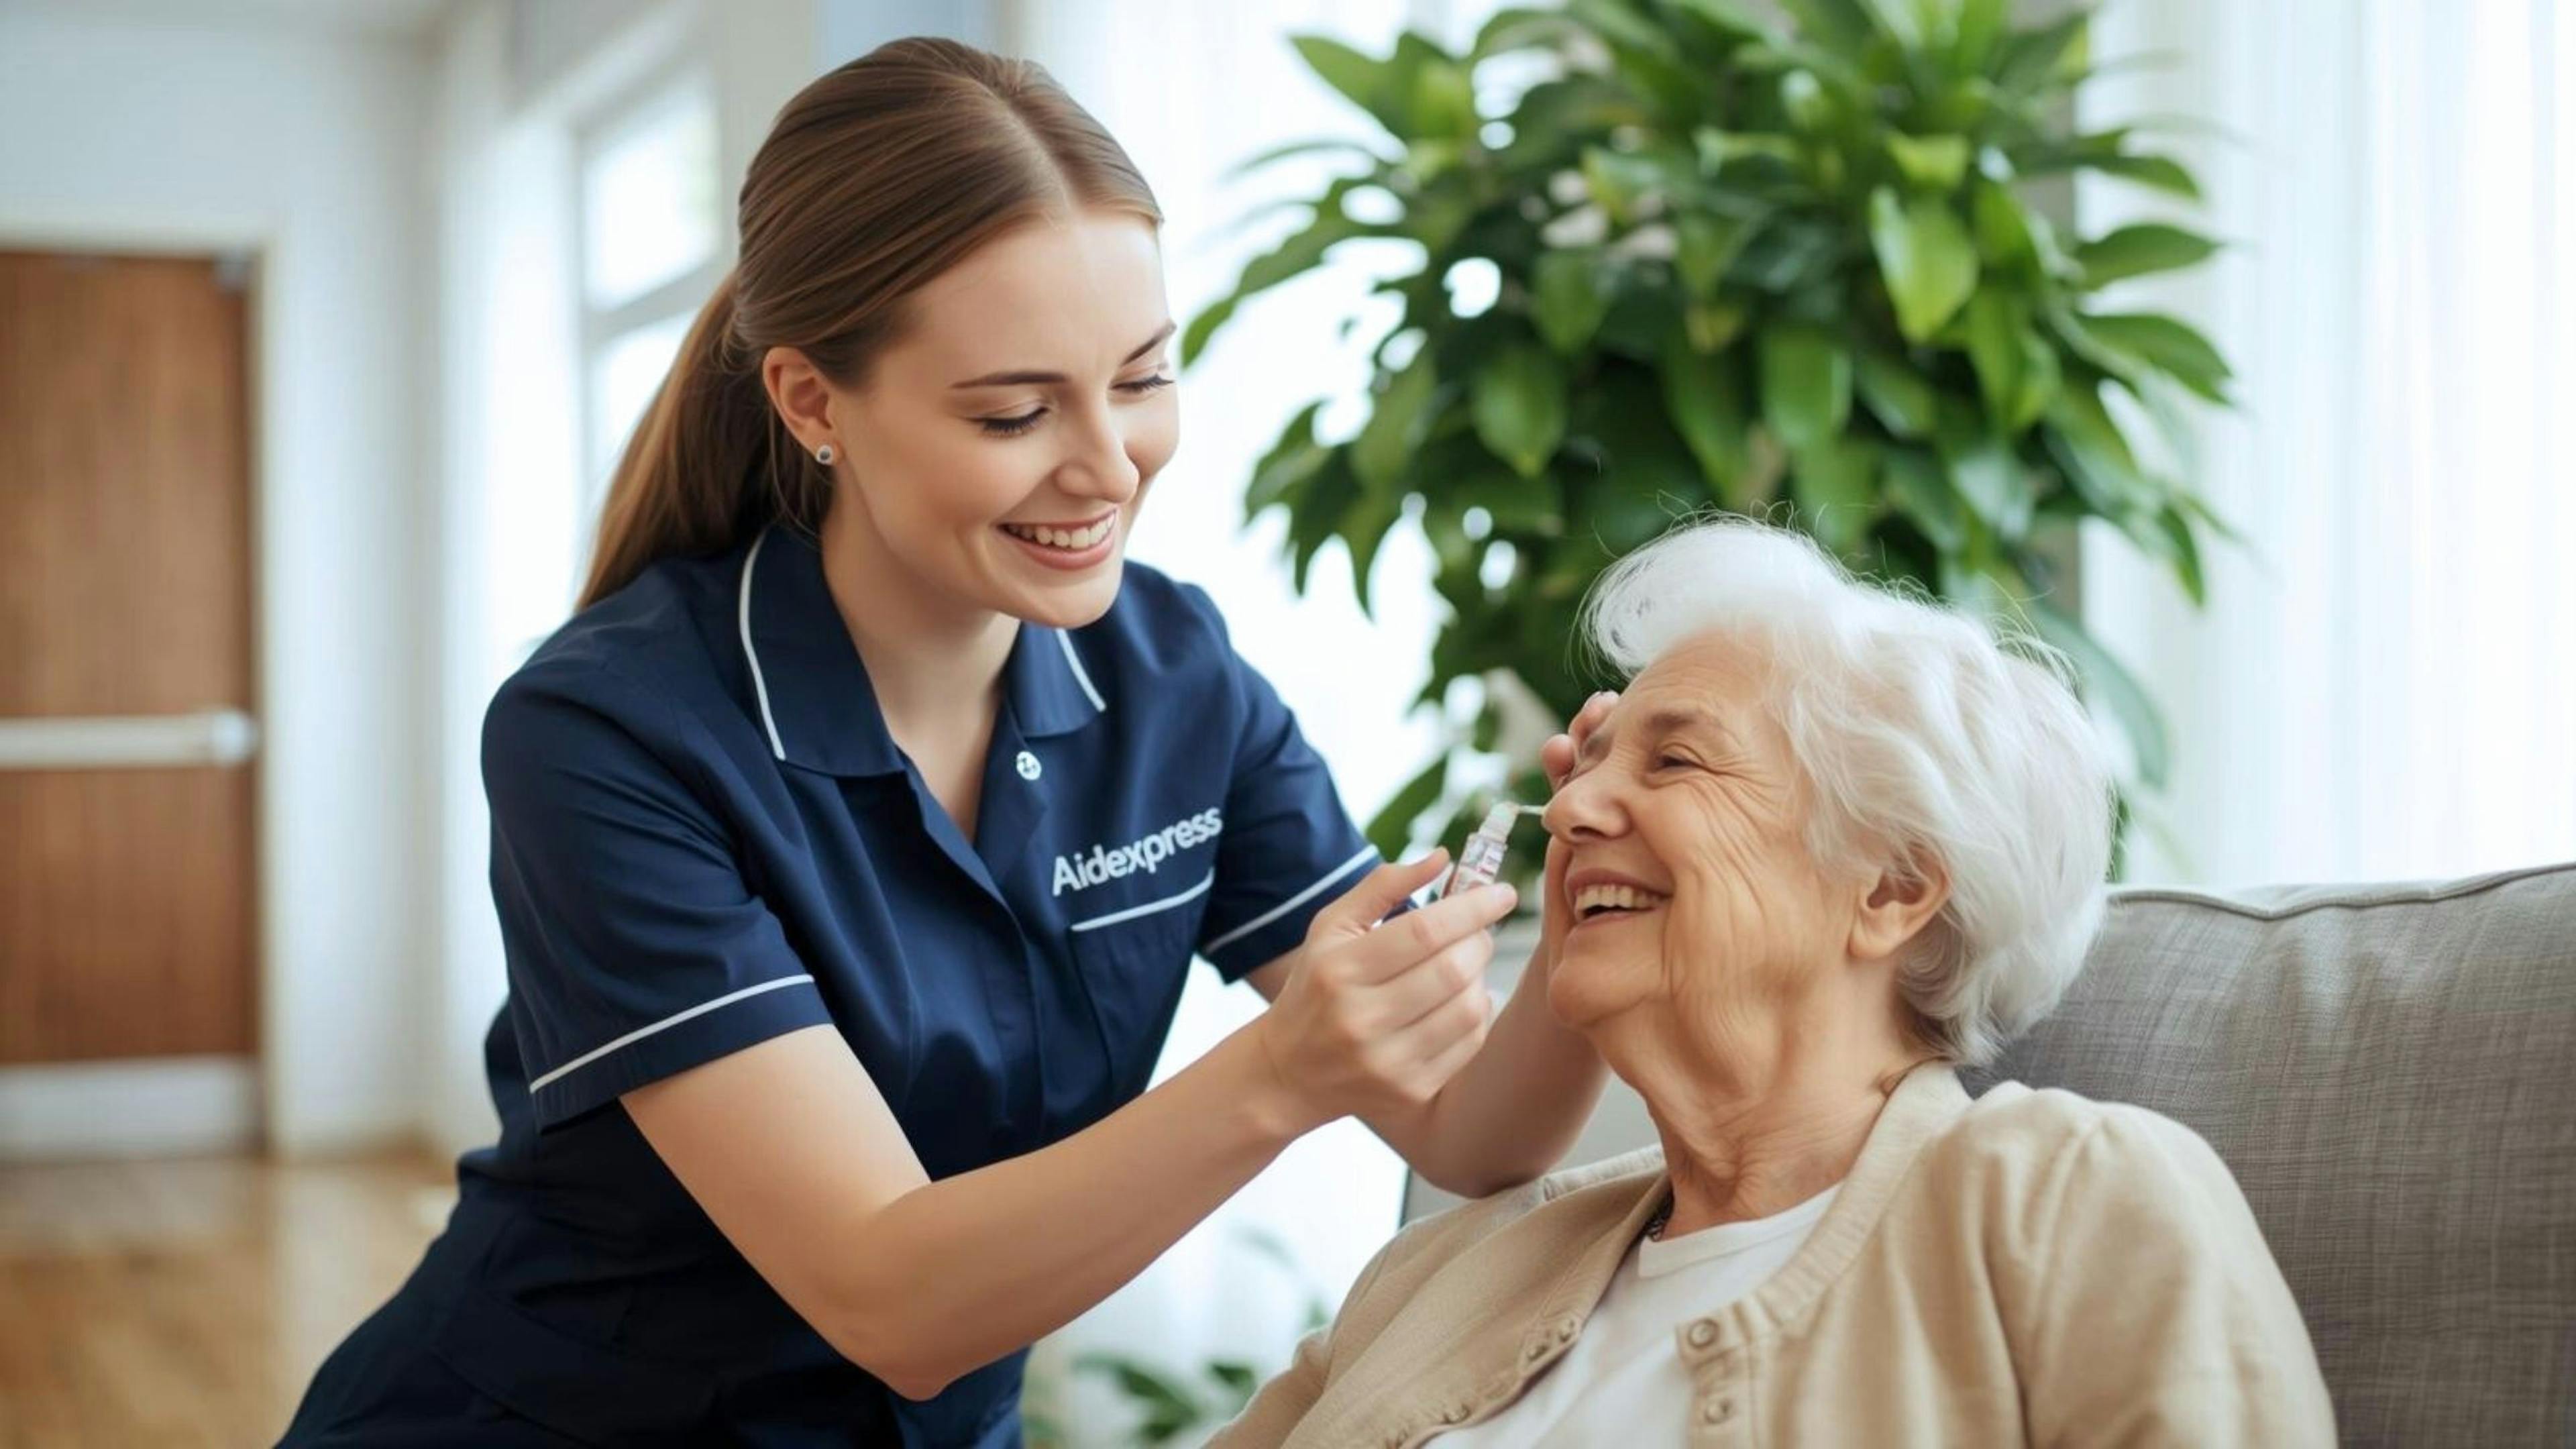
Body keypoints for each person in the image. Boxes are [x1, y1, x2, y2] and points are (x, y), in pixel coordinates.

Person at [280, 38, 1609, 1448]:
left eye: (1143, 378)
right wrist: (1283, 1076)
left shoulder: (1177, 677)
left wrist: (1594, 901)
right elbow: (891, 1298)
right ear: (813, 402)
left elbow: (1469, 1133)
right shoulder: (610, 733)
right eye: (1015, 412)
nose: (1109, 466)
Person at [1215, 519, 2336, 1448]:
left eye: (1676, 759)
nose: (1567, 809)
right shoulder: (1439, 1278)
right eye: (1589, 765)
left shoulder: (2068, 1198)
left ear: (1892, 888)